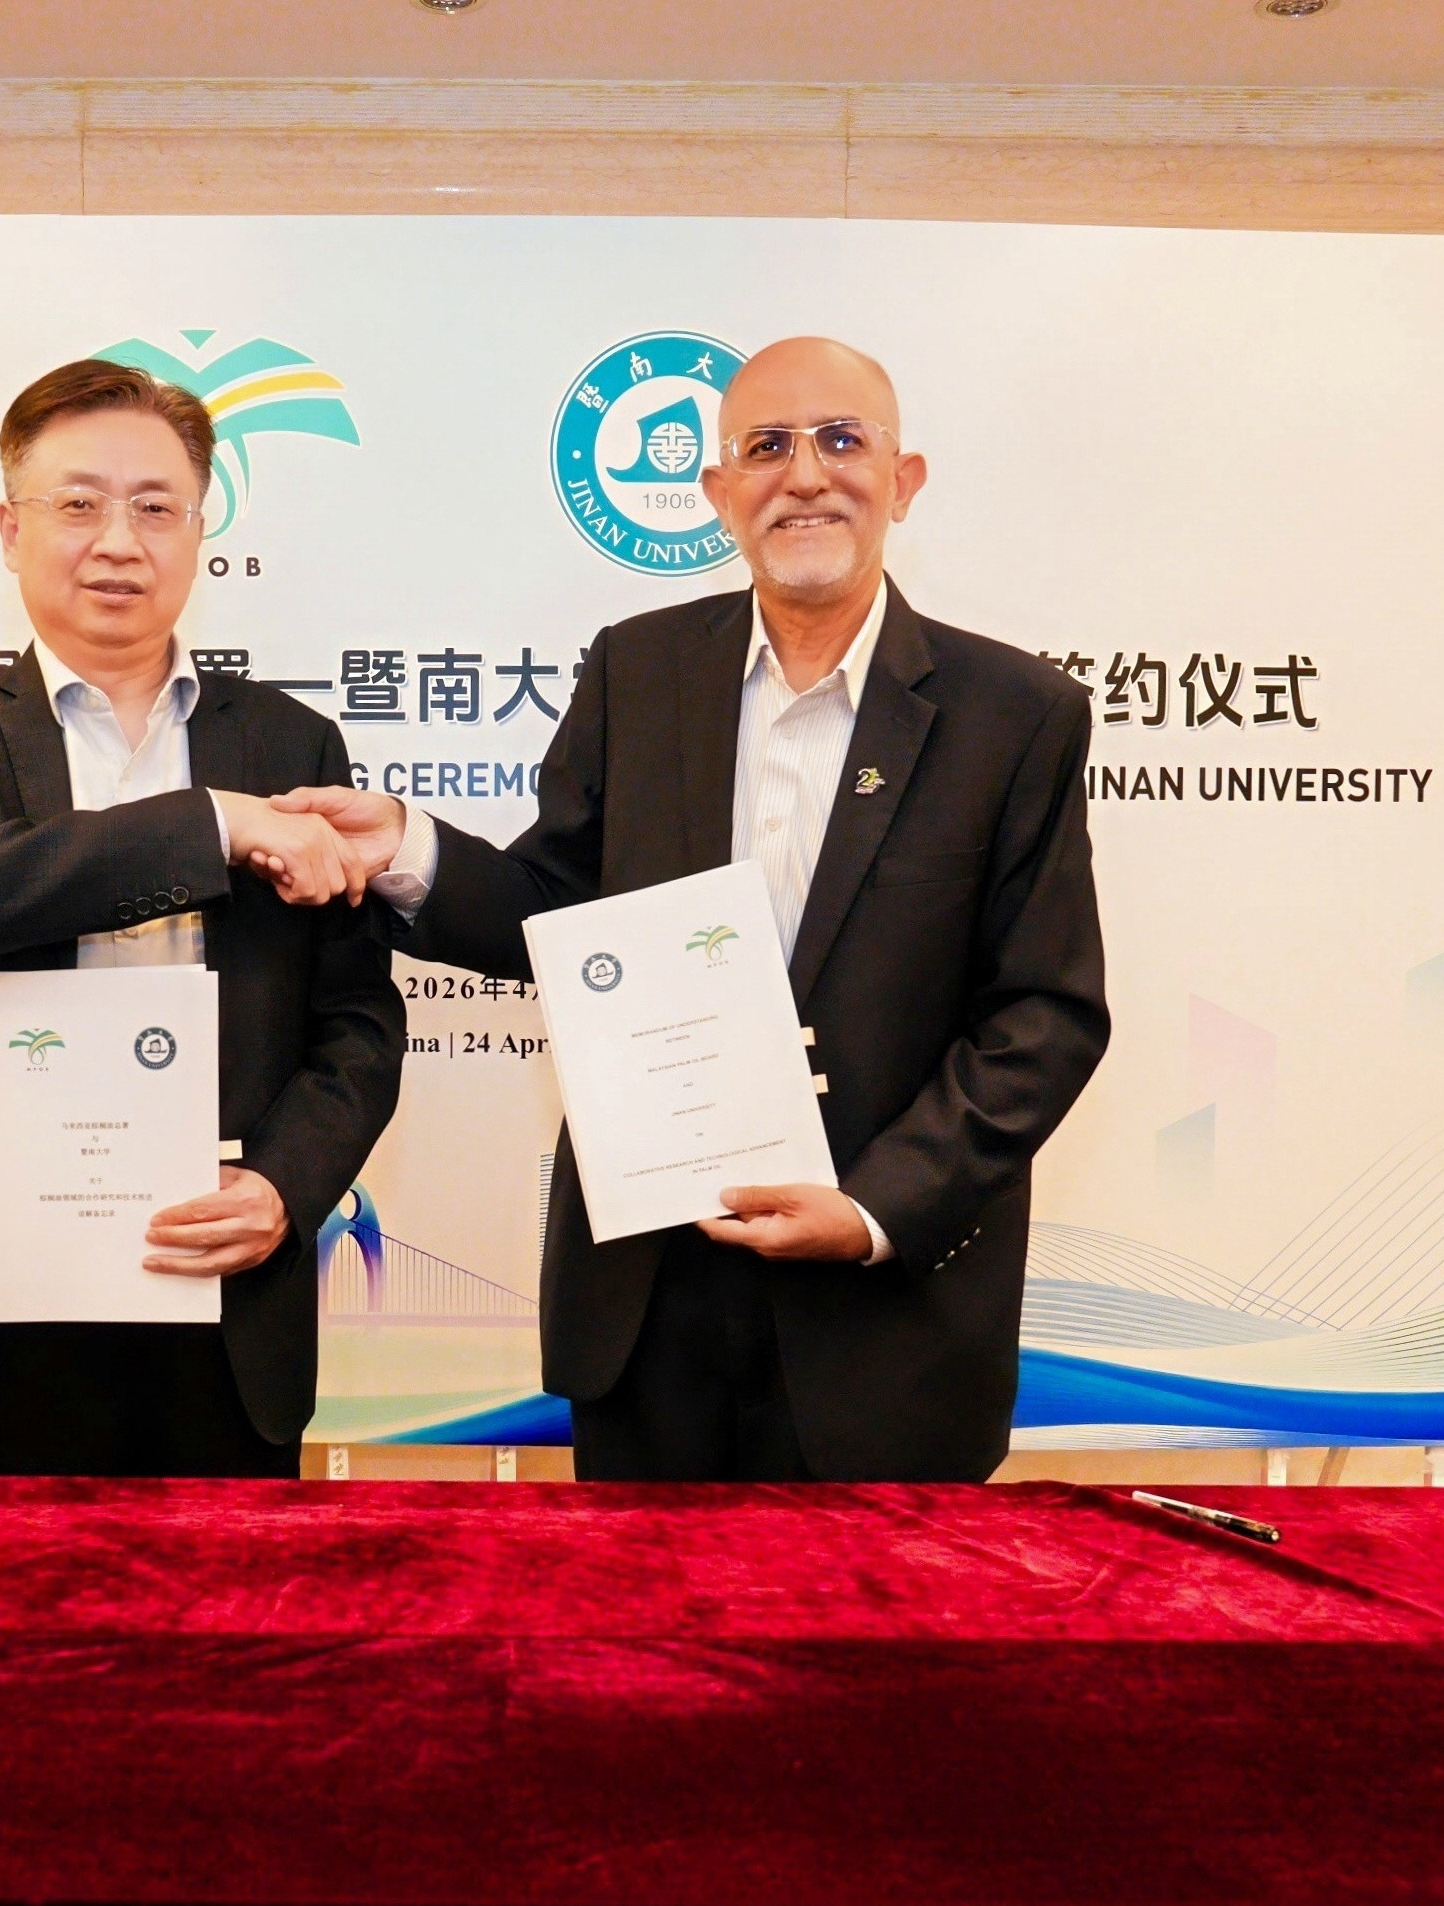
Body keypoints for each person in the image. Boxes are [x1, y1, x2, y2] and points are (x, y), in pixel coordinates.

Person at [280, 336, 1106, 1481]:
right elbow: (557, 911)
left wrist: (871, 1210)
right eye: (764, 446)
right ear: (718, 491)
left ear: (902, 480)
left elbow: (1042, 1016)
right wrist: (408, 848)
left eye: (840, 440)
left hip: (885, 1327)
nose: (803, 475)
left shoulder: (1013, 713)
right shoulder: (640, 670)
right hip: (648, 1303)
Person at [0, 359, 400, 1475]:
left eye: (156, 508)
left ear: (199, 533)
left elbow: (354, 1022)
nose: (119, 541)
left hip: (218, 1263)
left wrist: (283, 1186)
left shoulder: (290, 743)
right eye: (79, 503)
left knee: (230, 1581)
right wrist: (213, 824)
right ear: (10, 529)